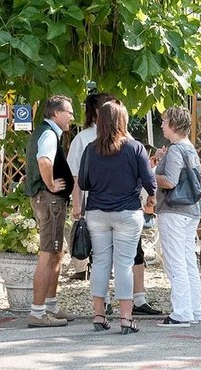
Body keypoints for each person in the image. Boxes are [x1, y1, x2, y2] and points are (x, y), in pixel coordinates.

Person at [69, 92, 162, 316]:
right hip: (127, 212)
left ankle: (99, 315)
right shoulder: (134, 147)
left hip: (97, 212)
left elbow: (83, 181)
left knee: (100, 263)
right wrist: (151, 197)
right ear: (122, 120)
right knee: (124, 264)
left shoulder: (90, 147)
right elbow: (150, 180)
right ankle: (126, 318)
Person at [24, 95, 77, 327]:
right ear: (56, 113)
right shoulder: (48, 134)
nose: (72, 116)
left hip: (50, 200)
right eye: (69, 112)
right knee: (48, 254)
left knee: (56, 253)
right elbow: (44, 160)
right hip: (50, 200)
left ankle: (51, 306)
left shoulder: (47, 132)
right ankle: (37, 312)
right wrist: (51, 185)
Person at [154, 106, 201, 327]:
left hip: (173, 210)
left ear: (174, 125)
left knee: (175, 261)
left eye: (164, 121)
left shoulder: (175, 150)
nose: (162, 125)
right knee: (188, 260)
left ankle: (181, 312)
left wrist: (152, 174)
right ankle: (194, 309)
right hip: (191, 211)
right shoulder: (189, 148)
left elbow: (170, 181)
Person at [68, 92, 114, 280]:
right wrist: (77, 203)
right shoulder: (84, 138)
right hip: (93, 198)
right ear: (98, 111)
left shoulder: (120, 135)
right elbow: (75, 174)